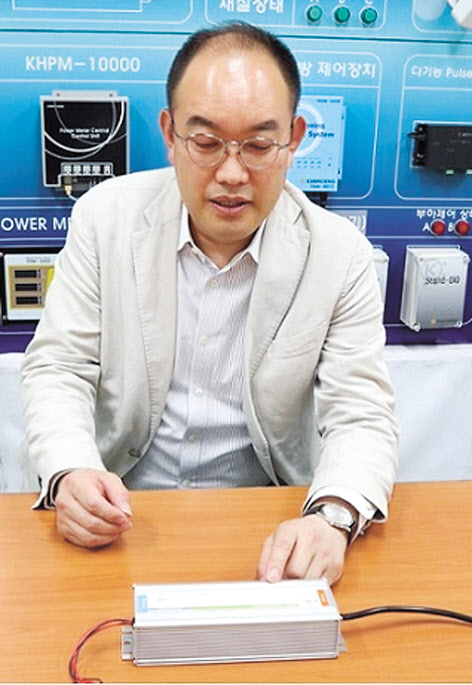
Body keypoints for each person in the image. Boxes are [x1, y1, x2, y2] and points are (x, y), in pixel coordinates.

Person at [20, 22, 398, 585]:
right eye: (206, 142)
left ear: (294, 139)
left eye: (259, 145)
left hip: (266, 522)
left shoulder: (340, 254)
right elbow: (59, 367)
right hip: (121, 515)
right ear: (170, 135)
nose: (231, 173)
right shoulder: (104, 218)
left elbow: (362, 414)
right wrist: (71, 471)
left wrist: (333, 516)